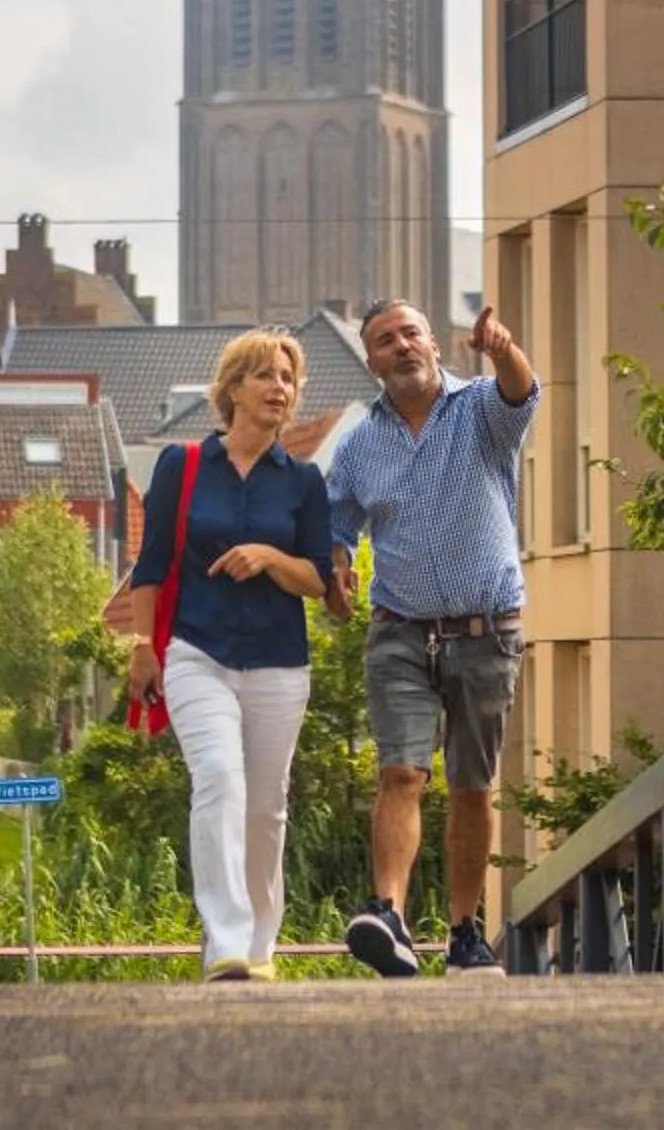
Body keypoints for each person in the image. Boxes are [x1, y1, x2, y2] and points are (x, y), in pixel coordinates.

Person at [327, 297, 537, 979]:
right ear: (372, 360)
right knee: (402, 771)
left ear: (434, 344)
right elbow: (336, 522)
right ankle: (387, 913)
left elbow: (521, 391)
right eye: (385, 340)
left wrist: (502, 349)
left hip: (486, 631)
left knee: (472, 785)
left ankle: (464, 933)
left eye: (411, 333)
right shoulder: (359, 445)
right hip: (400, 632)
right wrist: (336, 568)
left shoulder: (480, 409)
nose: (402, 346)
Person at [120, 328, 333, 983]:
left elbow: (318, 580)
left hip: (278, 664)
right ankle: (227, 944)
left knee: (266, 809)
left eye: (288, 379)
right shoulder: (181, 466)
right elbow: (150, 565)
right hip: (197, 653)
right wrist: (141, 646)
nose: (279, 388)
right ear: (233, 389)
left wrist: (270, 557)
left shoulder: (303, 482)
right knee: (218, 780)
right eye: (265, 375)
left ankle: (261, 950)